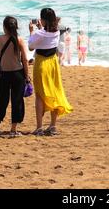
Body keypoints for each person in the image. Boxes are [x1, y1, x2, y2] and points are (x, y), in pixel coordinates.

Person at [28, 8, 73, 136]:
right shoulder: (57, 32)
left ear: (42, 20)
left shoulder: (39, 33)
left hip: (41, 63)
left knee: (40, 95)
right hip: (53, 63)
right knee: (54, 92)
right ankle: (53, 126)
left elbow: (31, 47)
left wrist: (32, 31)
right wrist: (40, 28)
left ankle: (39, 127)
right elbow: (47, 34)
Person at [0, 16, 30, 137]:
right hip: (18, 74)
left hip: (4, 73)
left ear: (4, 27)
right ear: (16, 27)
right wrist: (27, 75)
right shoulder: (19, 39)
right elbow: (25, 59)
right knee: (17, 101)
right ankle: (13, 129)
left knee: (2, 100)